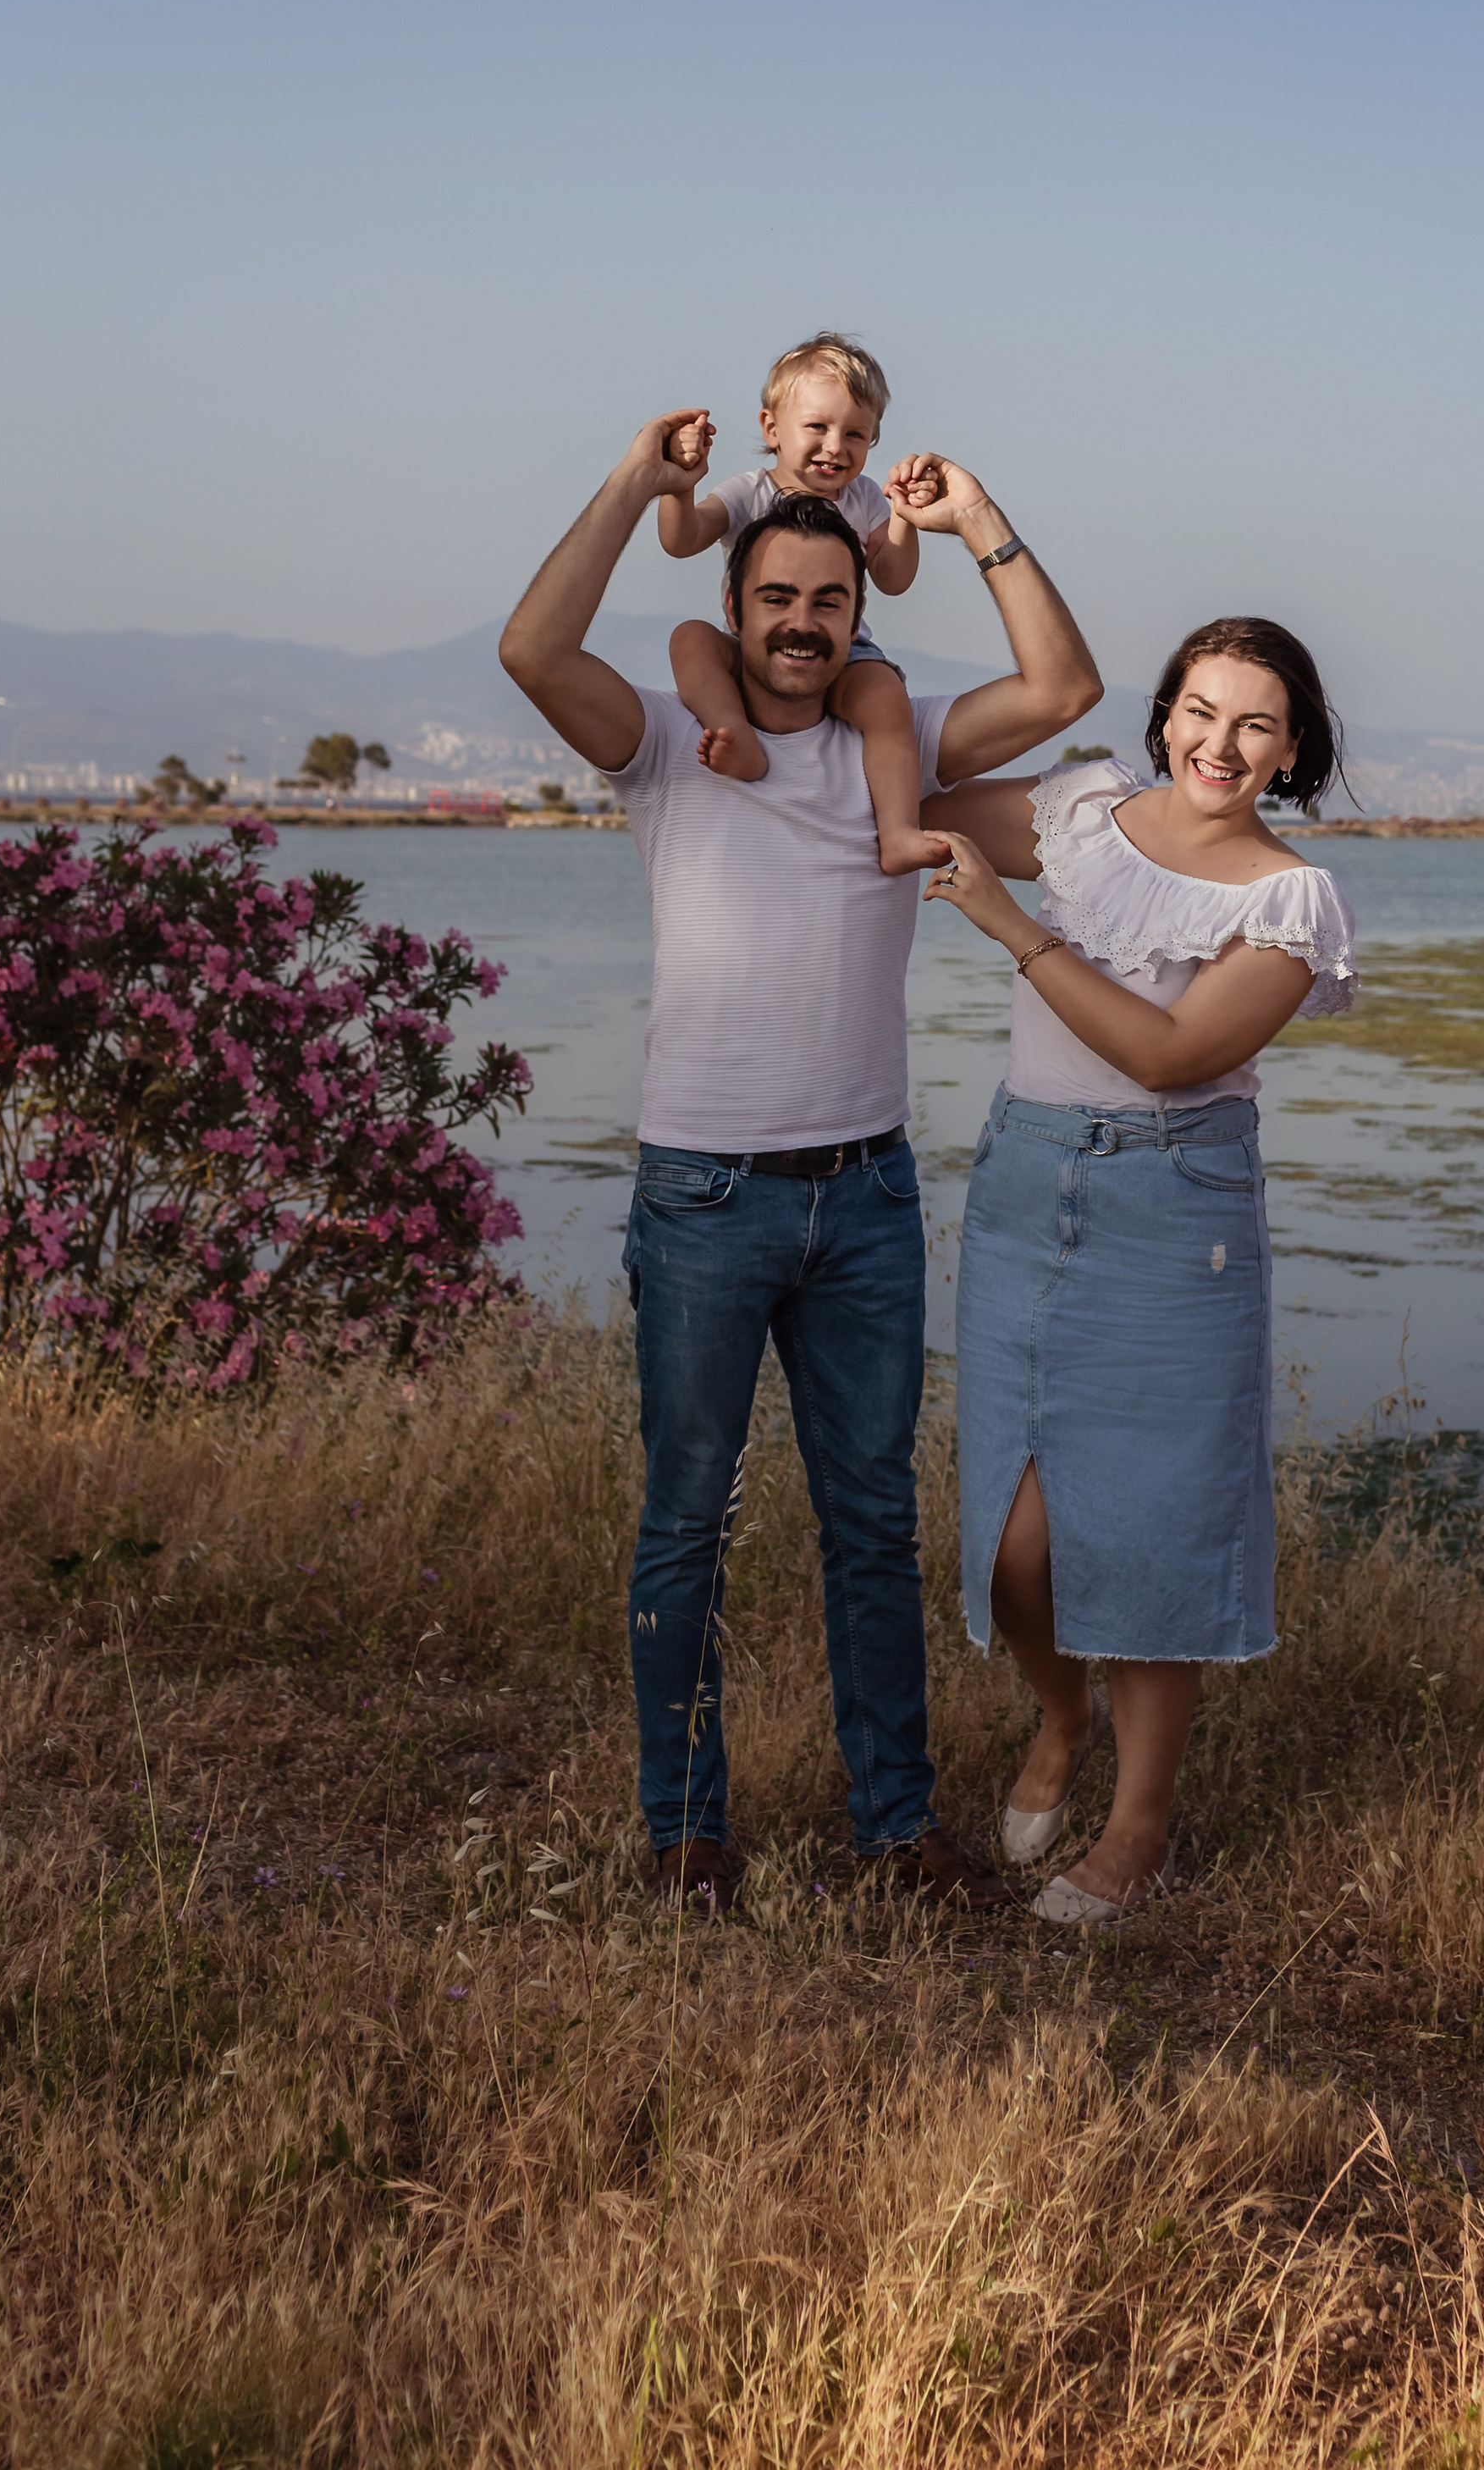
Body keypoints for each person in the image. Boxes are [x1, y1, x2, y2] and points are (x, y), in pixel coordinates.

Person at [499, 412, 1102, 1917]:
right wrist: (637, 481)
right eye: (775, 597)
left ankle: (895, 1832)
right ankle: (684, 1833)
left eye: (829, 601)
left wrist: (981, 520)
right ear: (733, 607)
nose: (801, 623)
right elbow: (531, 649)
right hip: (703, 1196)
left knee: (873, 1525)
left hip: (868, 1196)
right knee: (684, 1522)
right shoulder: (670, 746)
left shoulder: (897, 748)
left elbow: (1065, 691)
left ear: (855, 618)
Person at [919, 617, 1357, 1926]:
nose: (1221, 743)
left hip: (1175, 1211)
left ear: (1292, 751)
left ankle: (1139, 1826)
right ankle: (1064, 1716)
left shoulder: (1289, 898)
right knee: (1016, 1544)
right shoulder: (1081, 812)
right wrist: (959, 555)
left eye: (1256, 724)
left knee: (1154, 1530)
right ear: (1164, 715)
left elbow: (1168, 1057)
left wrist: (1011, 925)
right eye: (1201, 711)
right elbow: (911, 805)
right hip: (1024, 1182)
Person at [659, 331, 945, 876]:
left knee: (887, 699)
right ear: (772, 428)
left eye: (855, 434)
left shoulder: (864, 498)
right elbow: (681, 539)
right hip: (755, 647)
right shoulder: (749, 492)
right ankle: (735, 731)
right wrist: (679, 487)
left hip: (843, 653)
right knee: (690, 639)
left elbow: (892, 579)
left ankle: (898, 831)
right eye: (817, 427)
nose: (835, 446)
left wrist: (905, 519)